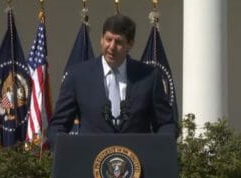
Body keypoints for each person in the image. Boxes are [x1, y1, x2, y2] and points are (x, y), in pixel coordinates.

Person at [48, 14, 177, 148]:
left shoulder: (149, 76)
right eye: (108, 39)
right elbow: (58, 125)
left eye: (118, 42)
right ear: (101, 39)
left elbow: (166, 124)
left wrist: (160, 149)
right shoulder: (78, 76)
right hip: (90, 161)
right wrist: (66, 152)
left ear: (130, 44)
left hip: (137, 162)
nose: (111, 47)